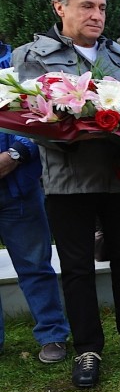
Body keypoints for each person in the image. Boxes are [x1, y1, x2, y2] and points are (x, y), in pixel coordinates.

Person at [13, 0, 120, 389]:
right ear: (59, 8)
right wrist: (68, 134)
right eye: (86, 6)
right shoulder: (32, 57)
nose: (96, 15)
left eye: (101, 7)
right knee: (77, 267)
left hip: (119, 176)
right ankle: (87, 347)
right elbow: (27, 117)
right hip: (68, 180)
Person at [0, 131, 71, 365]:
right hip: (18, 183)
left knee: (35, 265)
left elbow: (39, 123)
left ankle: (52, 335)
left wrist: (15, 154)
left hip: (18, 186)